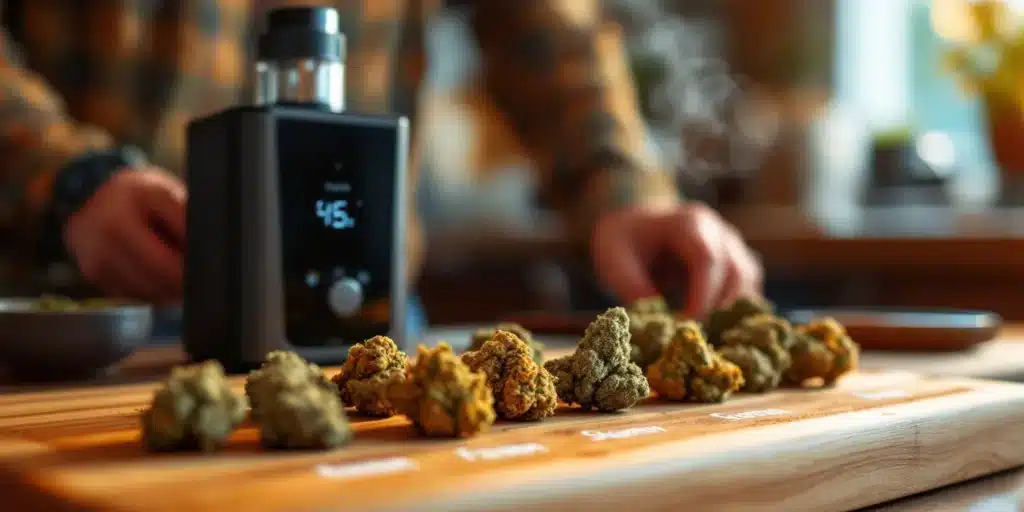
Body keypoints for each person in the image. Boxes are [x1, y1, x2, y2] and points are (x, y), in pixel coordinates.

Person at [0, 0, 762, 321]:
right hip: (73, 316)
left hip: (366, 312)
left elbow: (543, 23)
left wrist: (622, 187)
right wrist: (64, 177)